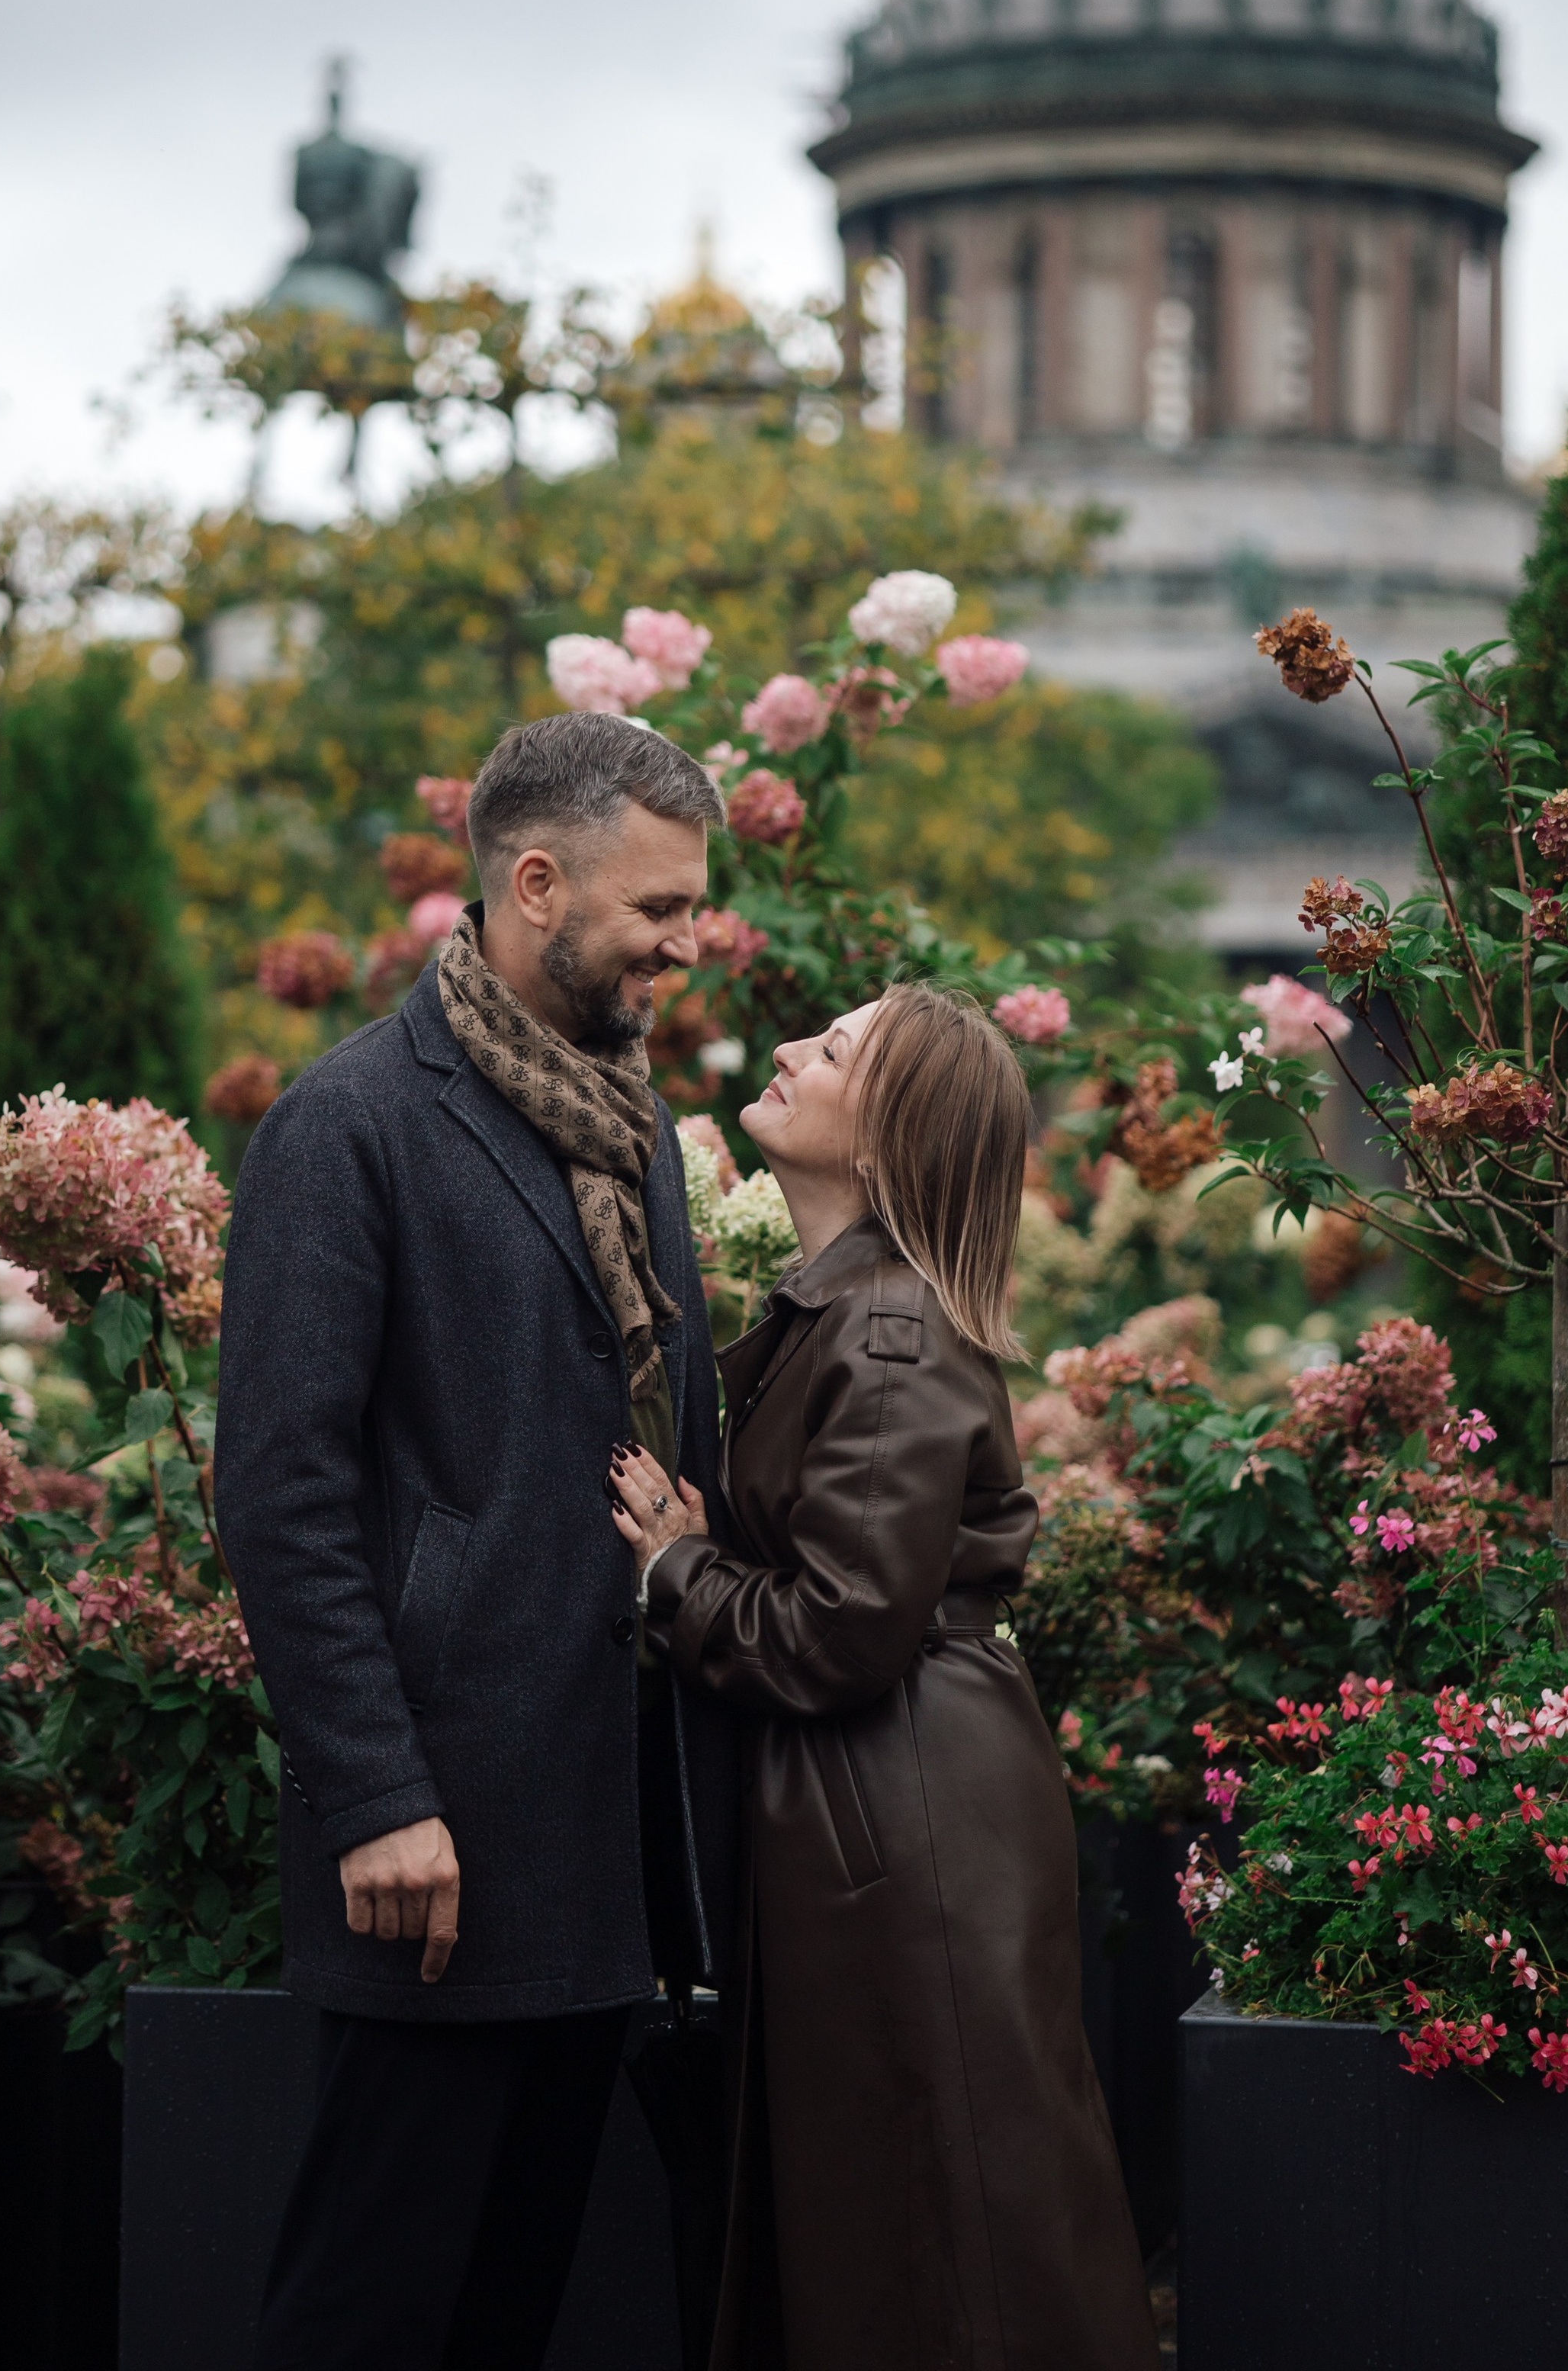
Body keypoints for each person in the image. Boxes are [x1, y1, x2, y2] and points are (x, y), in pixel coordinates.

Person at [215, 712, 737, 2371]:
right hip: (432, 1849)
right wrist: (377, 1797)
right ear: (532, 883)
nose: (687, 941)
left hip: (602, 1830)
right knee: (367, 2314)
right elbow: (280, 1495)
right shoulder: (347, 1125)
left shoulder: (625, 1121)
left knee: (512, 2311)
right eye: (656, 908)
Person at [611, 982, 1159, 2371]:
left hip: (904, 1821)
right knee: (916, 2207)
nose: (792, 1048)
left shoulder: (887, 1333)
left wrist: (676, 1573)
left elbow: (841, 1630)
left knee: (954, 2223)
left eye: (836, 1049)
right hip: (895, 1805)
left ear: (887, 1131)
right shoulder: (848, 1312)